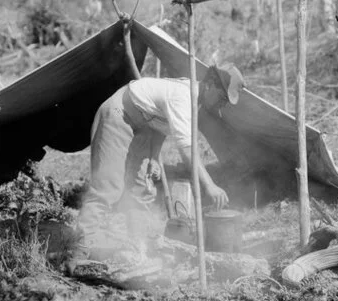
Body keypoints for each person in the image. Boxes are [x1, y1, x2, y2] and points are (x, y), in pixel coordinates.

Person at [67, 64, 245, 274]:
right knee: (108, 187)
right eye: (222, 98)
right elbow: (188, 151)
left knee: (141, 188)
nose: (221, 105)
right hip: (118, 114)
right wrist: (210, 185)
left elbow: (160, 124)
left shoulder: (195, 102)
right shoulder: (184, 97)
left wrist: (153, 157)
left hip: (142, 125)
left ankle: (138, 250)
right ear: (210, 85)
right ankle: (77, 254)